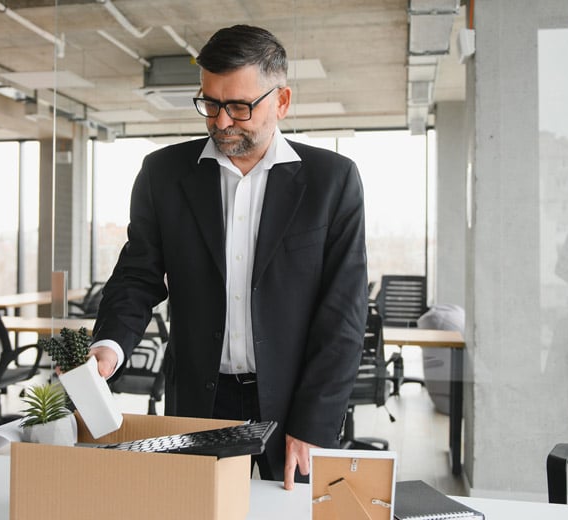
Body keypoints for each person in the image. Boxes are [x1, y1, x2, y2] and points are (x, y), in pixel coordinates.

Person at [88, 24, 368, 490]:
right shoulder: (163, 174)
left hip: (293, 404)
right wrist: (109, 346)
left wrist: (315, 422)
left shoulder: (332, 181)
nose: (221, 122)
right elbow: (137, 276)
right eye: (210, 104)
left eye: (239, 106)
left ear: (281, 101)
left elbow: (343, 315)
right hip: (199, 398)